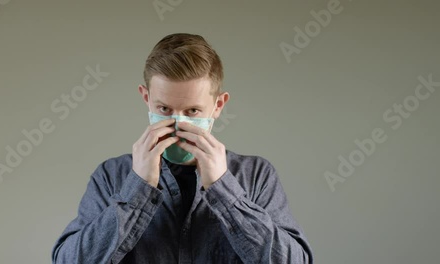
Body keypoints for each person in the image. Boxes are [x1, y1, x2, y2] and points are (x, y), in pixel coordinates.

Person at [51, 33, 313, 264]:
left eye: (193, 111)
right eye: (164, 109)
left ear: (218, 106)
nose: (178, 123)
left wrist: (224, 189)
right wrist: (137, 189)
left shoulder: (256, 175)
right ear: (146, 98)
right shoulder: (111, 176)